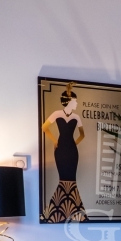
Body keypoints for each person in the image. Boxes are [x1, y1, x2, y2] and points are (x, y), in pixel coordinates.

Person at [40, 83, 88, 223]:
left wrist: (74, 144)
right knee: (63, 178)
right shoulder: (57, 114)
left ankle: (73, 212)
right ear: (69, 101)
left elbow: (82, 135)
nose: (76, 103)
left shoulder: (76, 117)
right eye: (75, 101)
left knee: (72, 179)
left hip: (72, 151)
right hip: (60, 149)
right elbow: (44, 127)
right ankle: (56, 212)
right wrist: (55, 140)